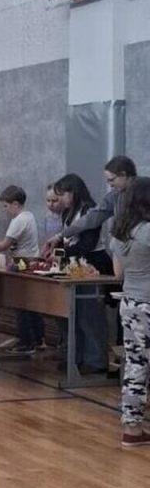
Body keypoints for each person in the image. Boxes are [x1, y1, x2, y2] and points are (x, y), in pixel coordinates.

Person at [47, 173, 110, 373]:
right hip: (74, 264)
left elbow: (87, 244)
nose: (60, 199)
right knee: (73, 314)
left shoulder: (89, 211)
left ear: (73, 192)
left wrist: (62, 254)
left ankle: (96, 360)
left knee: (89, 316)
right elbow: (68, 241)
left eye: (62, 195)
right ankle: (76, 356)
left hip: (93, 263)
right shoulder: (68, 212)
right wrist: (57, 252)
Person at [109, 176, 150, 448]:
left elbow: (118, 273)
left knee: (135, 364)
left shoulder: (119, 233)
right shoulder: (148, 232)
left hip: (130, 303)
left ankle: (132, 428)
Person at [0, 185, 45, 355]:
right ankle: (38, 338)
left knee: (21, 302)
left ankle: (26, 342)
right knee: (31, 303)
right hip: (31, 261)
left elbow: (4, 245)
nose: (5, 210)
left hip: (22, 262)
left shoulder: (19, 220)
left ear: (15, 204)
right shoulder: (29, 216)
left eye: (6, 206)